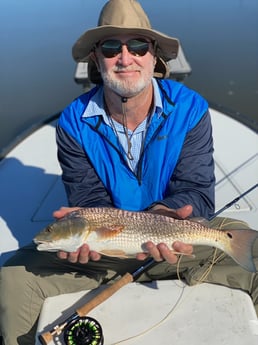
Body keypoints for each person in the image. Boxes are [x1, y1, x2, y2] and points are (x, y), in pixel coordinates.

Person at [0, 0, 257, 344]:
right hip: (105, 254)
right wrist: (87, 244)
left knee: (242, 243)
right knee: (13, 278)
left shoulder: (191, 109)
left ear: (154, 56)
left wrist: (165, 215)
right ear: (95, 58)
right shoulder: (73, 123)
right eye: (110, 47)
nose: (125, 57)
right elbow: (89, 198)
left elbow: (197, 191)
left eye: (138, 45)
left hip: (178, 239)